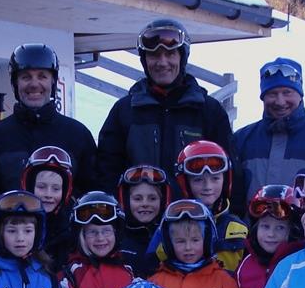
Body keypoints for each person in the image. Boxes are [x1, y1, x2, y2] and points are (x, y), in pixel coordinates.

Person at [96, 19, 233, 192]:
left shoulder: (209, 111)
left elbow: (229, 173)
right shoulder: (125, 111)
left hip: (192, 216)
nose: (162, 62)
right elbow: (106, 173)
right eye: (154, 55)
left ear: (182, 57)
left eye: (170, 54)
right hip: (140, 215)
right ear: (144, 61)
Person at [0, 43, 97, 200]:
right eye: (26, 77)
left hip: (64, 225)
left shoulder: (77, 134)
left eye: (42, 76)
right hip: (12, 223)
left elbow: (92, 194)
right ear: (15, 83)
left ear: (53, 82)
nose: (34, 84)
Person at [231, 57, 305, 208]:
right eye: (272, 93)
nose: (280, 102)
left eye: (287, 92)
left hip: (304, 231)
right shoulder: (242, 139)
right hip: (253, 230)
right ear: (263, 97)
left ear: (300, 94)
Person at [172, 140, 247, 272]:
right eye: (198, 180)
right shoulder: (170, 225)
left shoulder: (239, 228)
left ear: (226, 181)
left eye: (215, 179)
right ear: (185, 183)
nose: (208, 187)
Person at [19, 145, 77, 268]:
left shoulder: (72, 228)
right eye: (41, 187)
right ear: (29, 186)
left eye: (56, 189)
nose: (48, 194)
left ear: (65, 191)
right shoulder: (16, 222)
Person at [115, 164, 169, 277]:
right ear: (125, 200)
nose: (145, 204)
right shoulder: (116, 239)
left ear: (163, 201)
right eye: (138, 199)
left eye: (152, 198)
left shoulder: (170, 237)